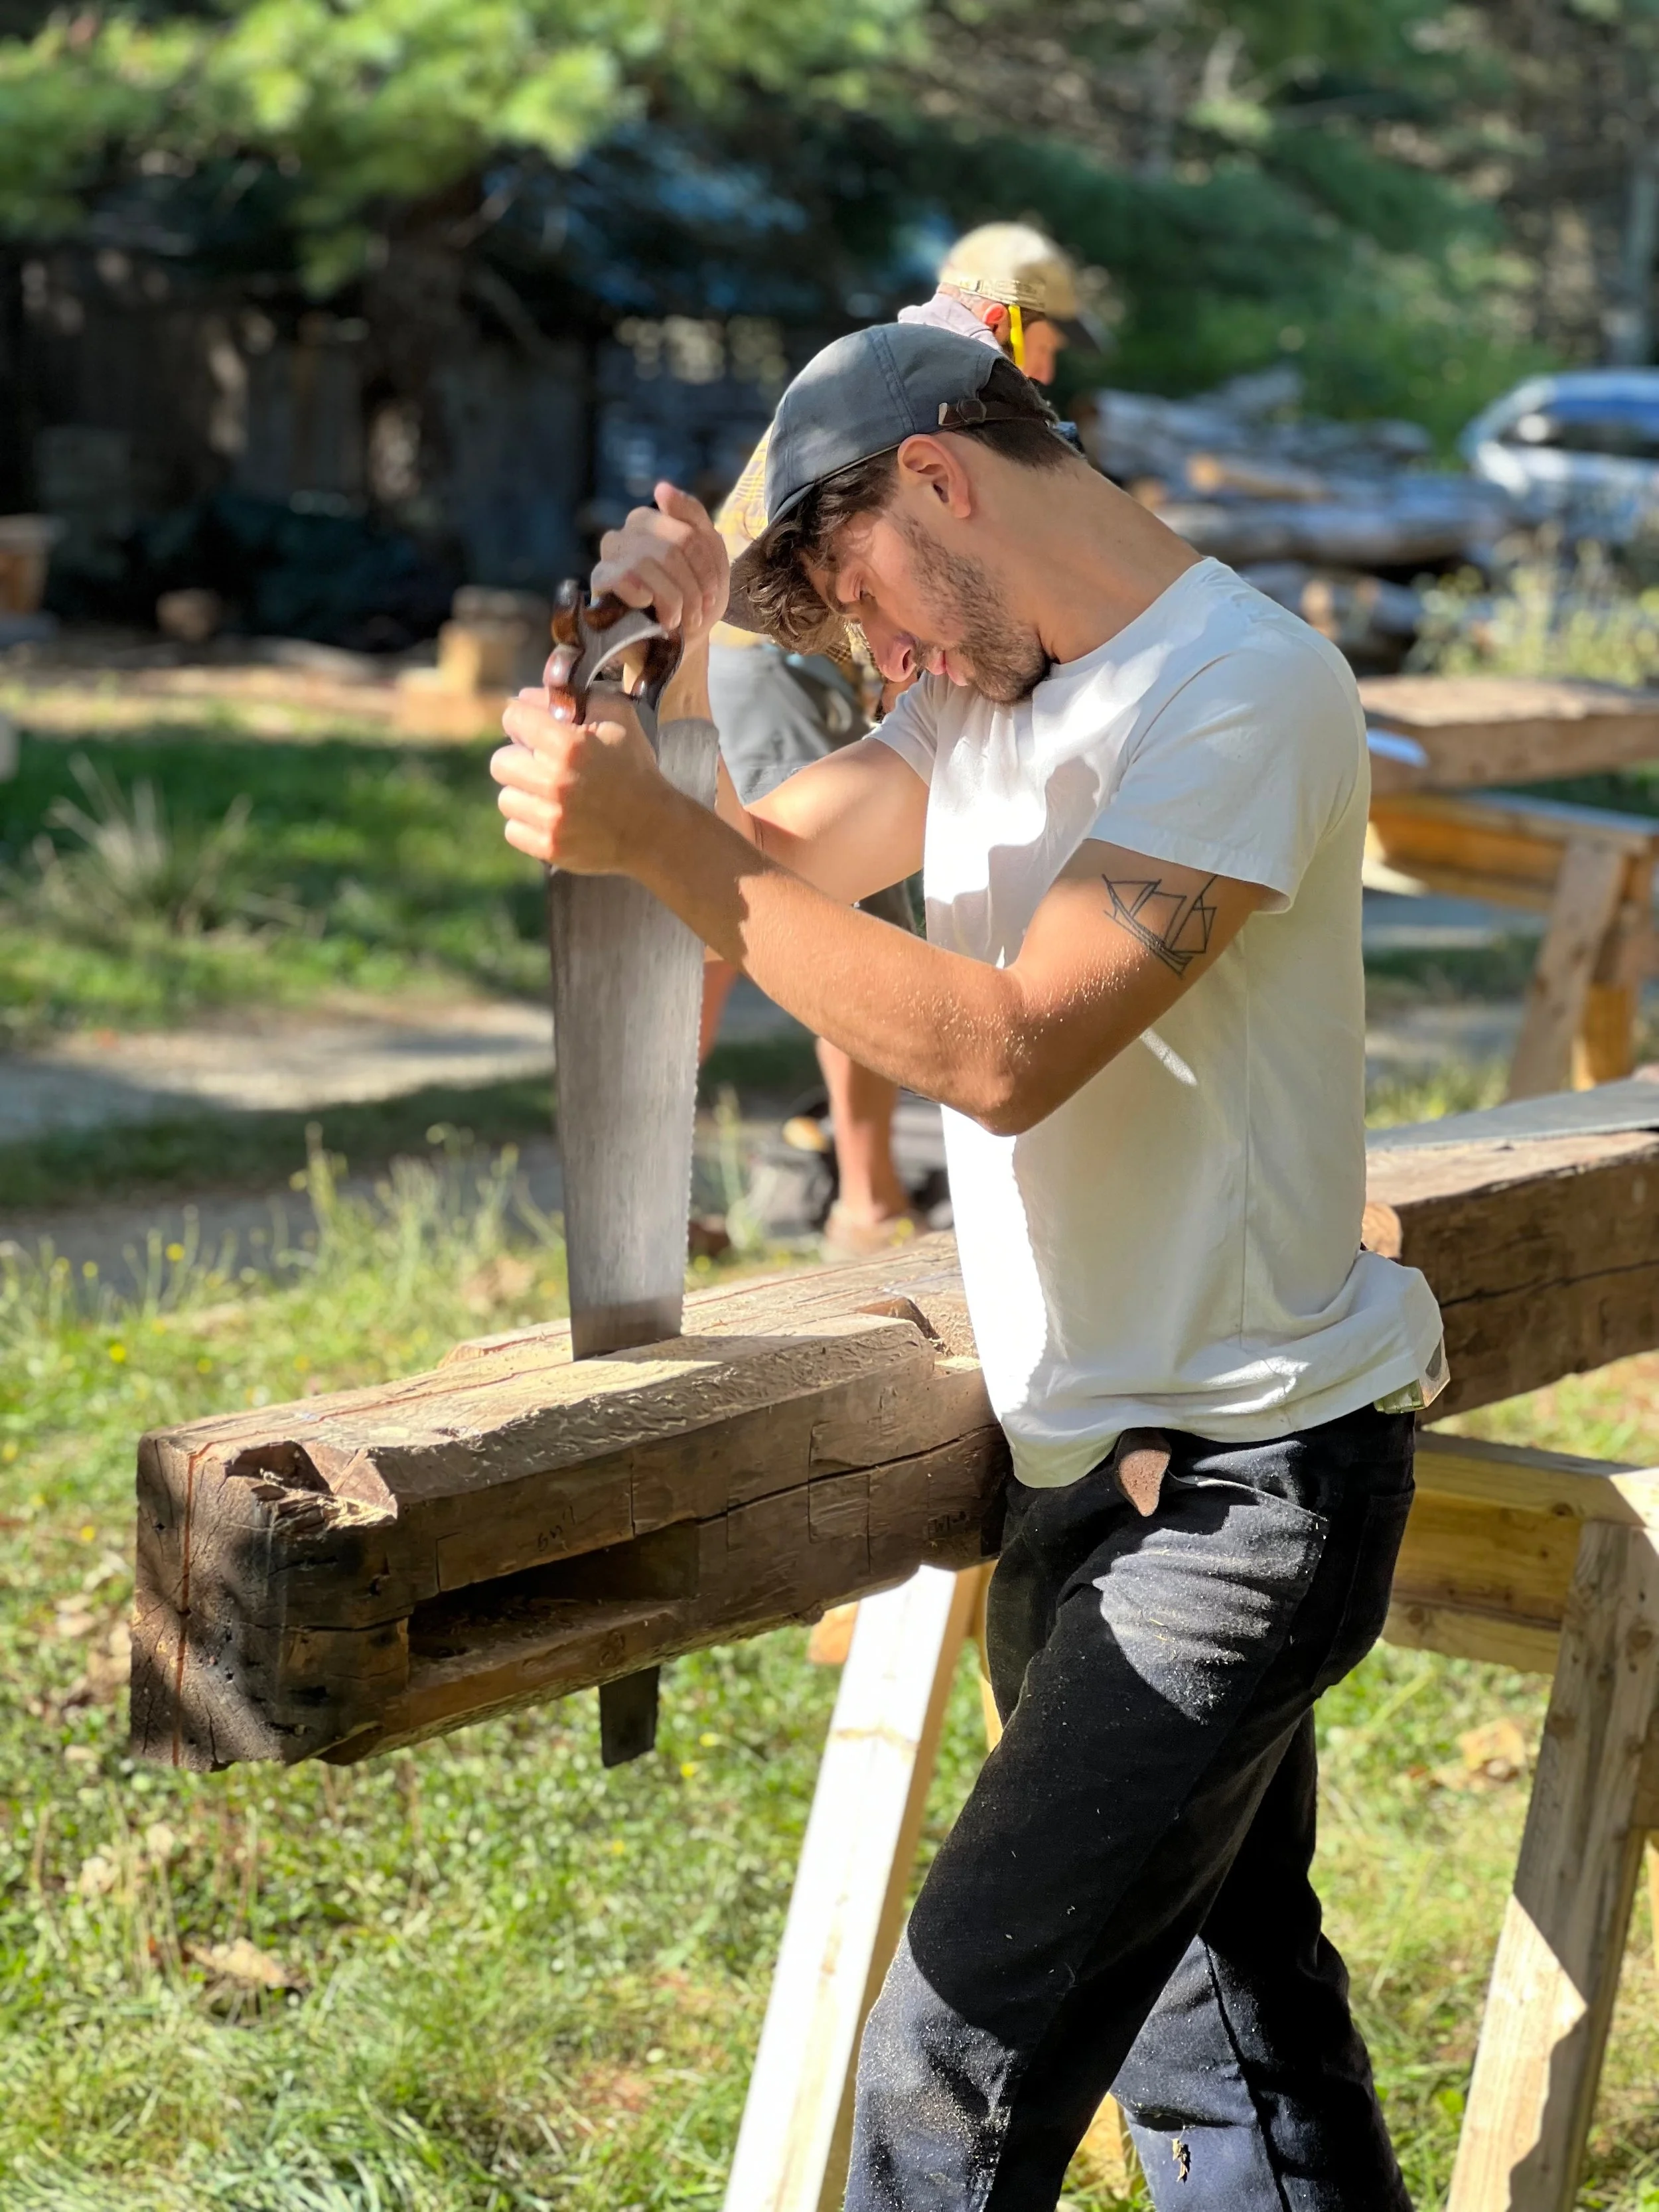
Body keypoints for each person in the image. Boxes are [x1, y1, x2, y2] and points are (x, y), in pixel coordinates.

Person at [491, 323, 1445, 2211]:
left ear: (939, 476)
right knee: (1227, 2035)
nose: (881, 657)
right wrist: (656, 698)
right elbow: (739, 881)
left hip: (1243, 1499)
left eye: (857, 593)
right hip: (1083, 1478)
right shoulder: (974, 706)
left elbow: (1006, 1049)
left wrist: (677, 841)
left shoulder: (1244, 687)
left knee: (946, 2067)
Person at [704, 222, 1096, 1257]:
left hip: (845, 644)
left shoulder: (930, 366)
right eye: (1054, 333)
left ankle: (854, 1193)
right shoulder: (940, 384)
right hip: (776, 650)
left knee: (803, 893)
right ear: (1016, 313)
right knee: (810, 902)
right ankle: (863, 1205)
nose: (1055, 358)